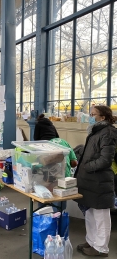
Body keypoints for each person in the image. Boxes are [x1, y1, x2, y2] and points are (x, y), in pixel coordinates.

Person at [75, 105, 117, 257]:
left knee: (101, 217)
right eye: (90, 114)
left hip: (100, 181)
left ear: (103, 117)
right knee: (90, 214)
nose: (90, 116)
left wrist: (87, 166)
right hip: (89, 181)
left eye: (93, 114)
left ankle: (101, 248)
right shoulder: (95, 131)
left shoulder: (109, 132)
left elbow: (105, 160)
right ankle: (91, 241)